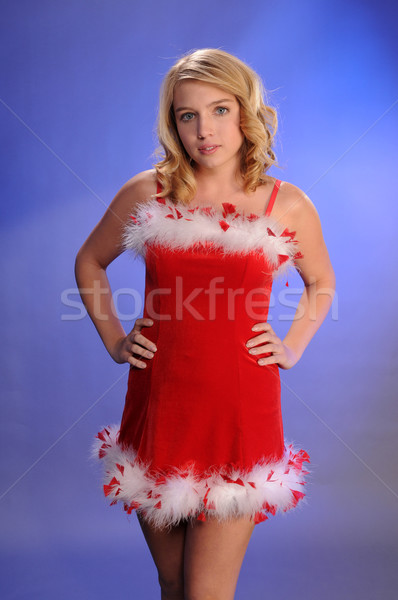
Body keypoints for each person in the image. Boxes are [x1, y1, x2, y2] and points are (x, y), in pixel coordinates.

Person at [75, 48, 335, 600]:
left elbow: (322, 284)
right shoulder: (148, 192)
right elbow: (89, 262)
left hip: (238, 414)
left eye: (219, 110)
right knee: (171, 581)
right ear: (173, 124)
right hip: (160, 405)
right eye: (187, 115)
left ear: (247, 112)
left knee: (205, 591)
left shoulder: (285, 205)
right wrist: (117, 341)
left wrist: (291, 346)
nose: (204, 130)